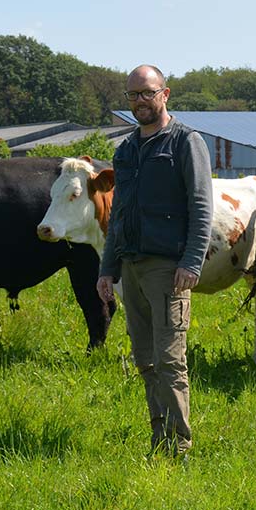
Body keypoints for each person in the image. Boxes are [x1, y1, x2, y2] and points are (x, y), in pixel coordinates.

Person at [97, 64, 213, 458]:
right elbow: (120, 213)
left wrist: (192, 261)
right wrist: (107, 268)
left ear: (165, 94)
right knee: (145, 360)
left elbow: (201, 204)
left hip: (169, 269)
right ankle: (158, 439)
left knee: (170, 360)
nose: (140, 102)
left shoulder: (185, 142)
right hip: (132, 267)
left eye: (147, 93)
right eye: (133, 95)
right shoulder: (126, 150)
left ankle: (179, 447)